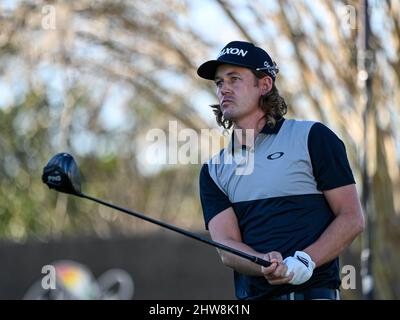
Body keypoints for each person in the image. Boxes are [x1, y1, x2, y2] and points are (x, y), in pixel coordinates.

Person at [197, 40, 365, 300]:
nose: (224, 90)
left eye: (234, 79)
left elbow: (352, 218)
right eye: (220, 83)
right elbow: (226, 247)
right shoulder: (213, 170)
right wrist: (263, 262)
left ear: (264, 85)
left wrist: (306, 261)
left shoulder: (313, 137)